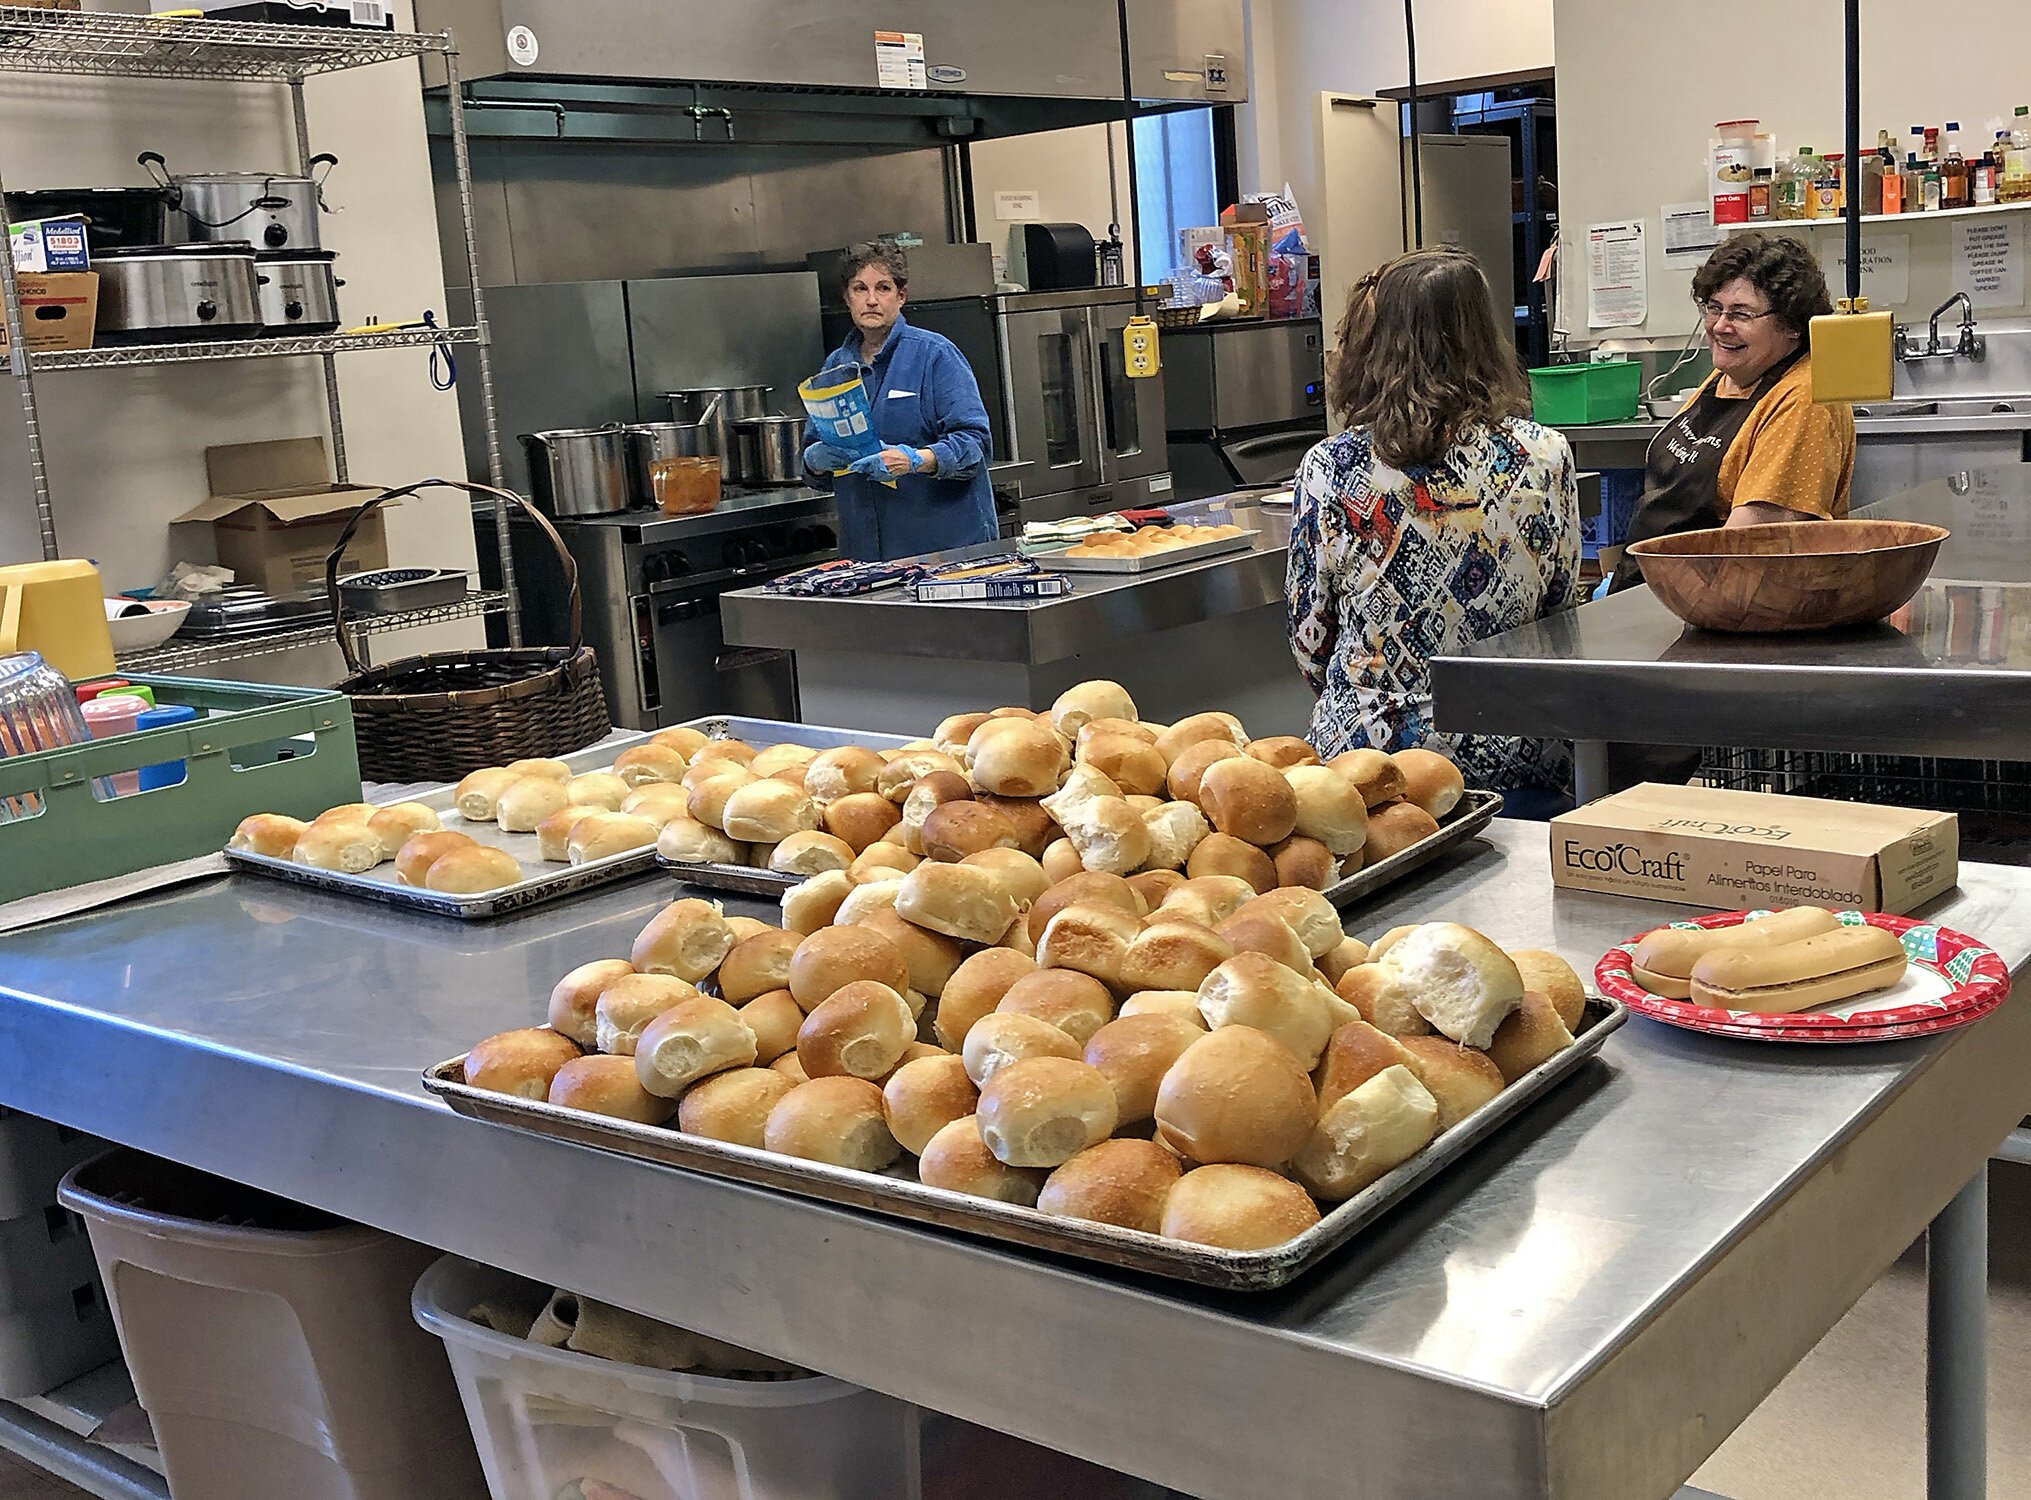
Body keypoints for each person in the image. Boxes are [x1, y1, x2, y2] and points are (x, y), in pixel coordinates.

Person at [1286, 248, 1580, 810]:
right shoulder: (1545, 454)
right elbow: (1559, 610)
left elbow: (1310, 638)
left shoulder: (1333, 468)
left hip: (1373, 761)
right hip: (1516, 745)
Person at [1609, 231, 1856, 592]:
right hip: (1655, 589)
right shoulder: (1729, 375)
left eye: (1741, 314)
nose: (1720, 326)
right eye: (1713, 308)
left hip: (1716, 604)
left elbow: (1751, 542)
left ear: (1791, 326)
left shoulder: (1806, 398)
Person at [802, 241, 997, 562]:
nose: (872, 300)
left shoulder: (934, 355)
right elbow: (813, 468)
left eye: (883, 288)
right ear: (847, 297)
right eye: (860, 288)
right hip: (866, 556)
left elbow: (975, 446)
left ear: (901, 297)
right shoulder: (836, 366)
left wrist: (917, 460)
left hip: (944, 552)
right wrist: (816, 459)